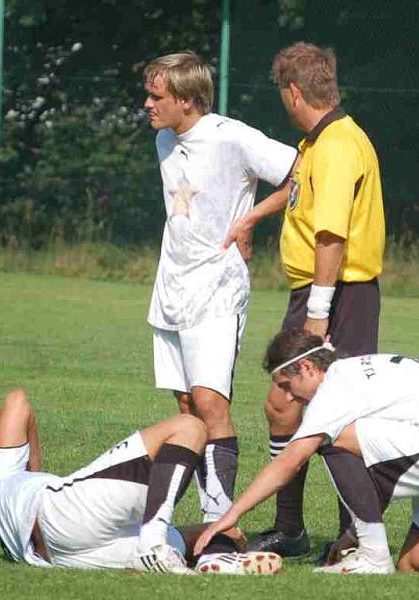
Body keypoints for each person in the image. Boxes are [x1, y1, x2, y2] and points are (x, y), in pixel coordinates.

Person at [195, 329, 419, 576]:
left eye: (287, 386)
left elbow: (290, 460)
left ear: (307, 367)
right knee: (413, 564)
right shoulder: (359, 370)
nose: (288, 398)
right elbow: (378, 469)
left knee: (331, 440)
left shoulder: (335, 384)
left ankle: (372, 556)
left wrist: (230, 515)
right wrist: (352, 533)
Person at [226, 42, 385, 557]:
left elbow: (331, 236)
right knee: (283, 405)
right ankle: (291, 530)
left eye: (283, 94)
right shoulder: (316, 143)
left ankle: (356, 536)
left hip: (341, 297)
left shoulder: (339, 145)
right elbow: (296, 191)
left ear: (295, 91)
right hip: (315, 295)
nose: (283, 102)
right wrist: (251, 217)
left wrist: (318, 314)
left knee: (341, 416)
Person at [142, 52, 298, 524]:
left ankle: (218, 521)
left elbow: (299, 174)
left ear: (187, 100)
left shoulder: (231, 136)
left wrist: (250, 218)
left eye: (156, 97)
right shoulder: (165, 140)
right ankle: (174, 516)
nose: (147, 106)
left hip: (217, 287)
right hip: (171, 288)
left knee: (210, 403)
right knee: (187, 408)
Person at [0, 388, 283, 575]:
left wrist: (36, 475)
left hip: (60, 556)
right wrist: (37, 472)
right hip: (64, 516)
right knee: (190, 426)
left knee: (217, 533)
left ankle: (211, 560)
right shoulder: (5, 476)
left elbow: (17, 406)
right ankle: (155, 545)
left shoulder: (1, 484)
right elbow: (17, 399)